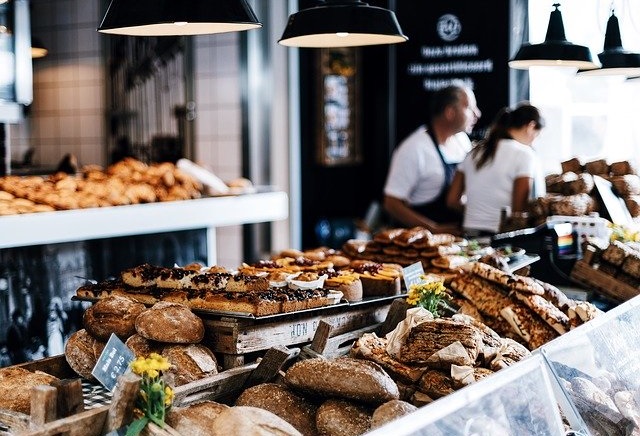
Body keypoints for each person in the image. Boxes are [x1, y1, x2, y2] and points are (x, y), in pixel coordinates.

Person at [383, 82, 481, 235]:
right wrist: (433, 229)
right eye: (469, 108)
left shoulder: (462, 140)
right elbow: (391, 203)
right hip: (421, 243)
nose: (477, 114)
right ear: (450, 112)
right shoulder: (414, 149)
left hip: (458, 238)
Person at [446, 102, 545, 236]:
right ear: (531, 126)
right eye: (537, 135)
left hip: (469, 235)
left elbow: (452, 201)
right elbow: (518, 211)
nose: (534, 141)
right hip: (501, 238)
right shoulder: (525, 154)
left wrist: (478, 212)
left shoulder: (474, 152)